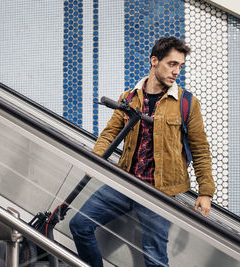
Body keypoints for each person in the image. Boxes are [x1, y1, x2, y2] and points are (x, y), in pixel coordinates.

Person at [69, 37, 215, 267]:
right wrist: (94, 161)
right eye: (172, 64)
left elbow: (200, 149)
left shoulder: (187, 103)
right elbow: (109, 134)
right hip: (124, 182)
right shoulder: (129, 97)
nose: (176, 71)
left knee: (154, 259)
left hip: (159, 193)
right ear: (154, 61)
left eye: (180, 66)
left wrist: (205, 191)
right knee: (79, 225)